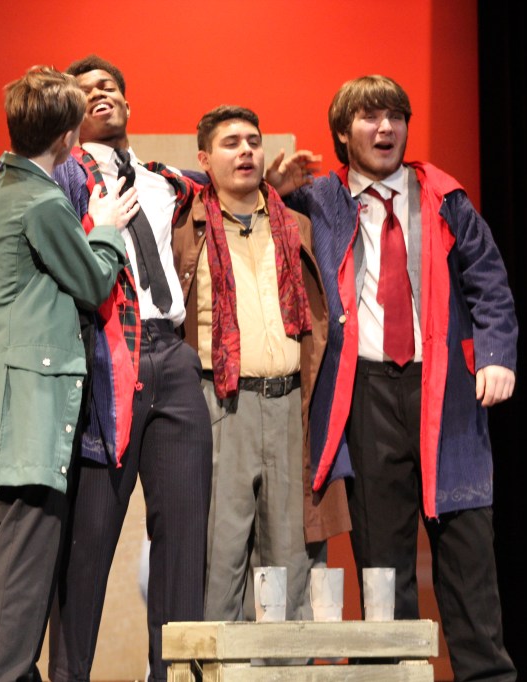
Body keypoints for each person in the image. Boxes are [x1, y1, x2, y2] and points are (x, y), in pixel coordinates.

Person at [0, 56, 213, 682]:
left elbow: (228, 193)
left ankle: (175, 675)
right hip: (106, 361)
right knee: (80, 543)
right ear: (69, 123)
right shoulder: (55, 179)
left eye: (108, 86)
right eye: (85, 91)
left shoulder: (170, 181)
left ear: (127, 103)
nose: (98, 94)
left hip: (174, 355)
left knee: (185, 537)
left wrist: (274, 183)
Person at [279, 75, 519, 681]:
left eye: (395, 116)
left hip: (445, 393)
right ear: (343, 133)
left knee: (467, 551)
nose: (385, 128)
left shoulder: (443, 196)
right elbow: (223, 198)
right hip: (366, 394)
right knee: (382, 567)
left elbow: (489, 282)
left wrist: (496, 354)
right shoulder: (321, 200)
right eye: (369, 117)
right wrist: (274, 190)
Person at [0, 65, 133, 682]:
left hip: (14, 392)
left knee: (17, 554)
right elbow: (93, 280)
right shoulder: (43, 200)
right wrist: (106, 227)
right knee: (24, 562)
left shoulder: (1, 191)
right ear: (67, 136)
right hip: (34, 397)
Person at [172, 105, 350, 622]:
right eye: (230, 143)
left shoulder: (294, 225)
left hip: (290, 403)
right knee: (220, 554)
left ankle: (285, 664)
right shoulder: (187, 227)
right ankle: (215, 662)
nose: (245, 150)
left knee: (290, 557)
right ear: (204, 159)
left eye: (253, 140)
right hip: (221, 403)